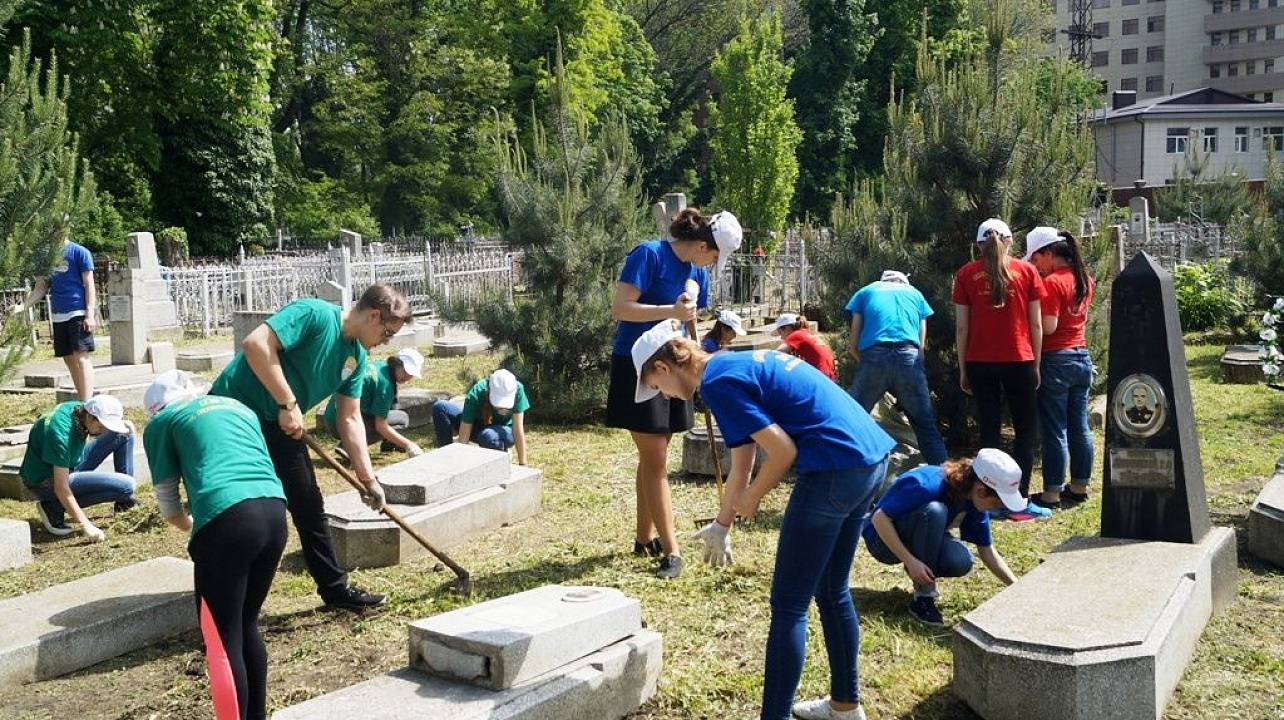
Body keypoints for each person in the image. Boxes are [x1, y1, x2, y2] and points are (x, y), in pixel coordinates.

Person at [632, 321, 894, 720]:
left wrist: (754, 496)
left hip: (836, 468)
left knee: (789, 605)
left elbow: (783, 451)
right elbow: (744, 460)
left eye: (656, 386)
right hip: (870, 459)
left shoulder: (716, 384)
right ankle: (845, 705)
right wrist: (723, 524)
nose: (663, 396)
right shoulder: (728, 367)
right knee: (831, 590)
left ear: (663, 367)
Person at [209, 283, 412, 610]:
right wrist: (287, 402)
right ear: (374, 316)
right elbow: (256, 344)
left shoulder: (356, 357)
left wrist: (367, 478)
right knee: (244, 508)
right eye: (387, 333)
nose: (384, 342)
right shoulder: (314, 314)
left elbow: (350, 418)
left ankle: (335, 591)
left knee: (308, 504)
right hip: (233, 415)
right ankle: (225, 598)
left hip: (281, 424)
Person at [606, 207, 742, 579]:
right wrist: (670, 310)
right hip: (641, 367)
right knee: (656, 460)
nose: (713, 264)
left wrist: (699, 368)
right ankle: (672, 552)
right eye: (714, 256)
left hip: (676, 368)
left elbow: (691, 323)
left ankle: (644, 537)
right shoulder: (648, 254)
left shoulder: (696, 272)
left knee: (655, 454)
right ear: (701, 246)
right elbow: (620, 309)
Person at [142, 370, 287, 720]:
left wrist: (195, 527)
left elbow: (169, 504)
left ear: (156, 408)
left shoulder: (163, 423)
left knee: (222, 640)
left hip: (228, 520)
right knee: (246, 624)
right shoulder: (238, 407)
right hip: (274, 511)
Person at [952, 218, 1049, 521]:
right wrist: (1036, 362)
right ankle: (1020, 499)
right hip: (1019, 359)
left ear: (978, 245)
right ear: (1010, 241)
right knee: (1025, 431)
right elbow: (1035, 323)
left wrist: (963, 367)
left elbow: (962, 327)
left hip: (980, 361)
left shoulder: (966, 274)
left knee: (989, 431)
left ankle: (988, 499)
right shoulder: (1027, 271)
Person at [863, 449, 1022, 627]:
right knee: (935, 511)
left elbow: (987, 552)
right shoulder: (927, 485)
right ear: (981, 490)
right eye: (996, 503)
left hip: (917, 536)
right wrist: (911, 561)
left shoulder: (974, 499)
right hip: (882, 541)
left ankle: (921, 573)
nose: (996, 509)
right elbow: (879, 519)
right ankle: (923, 597)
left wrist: (1018, 589)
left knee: (960, 560)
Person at [1023, 227, 1095, 512]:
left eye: (1036, 259)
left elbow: (1049, 326)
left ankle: (1051, 492)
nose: (1035, 266)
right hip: (1081, 356)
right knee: (1080, 426)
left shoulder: (1052, 283)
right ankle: (1079, 486)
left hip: (1056, 359)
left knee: (1055, 429)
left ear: (1050, 253)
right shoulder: (1084, 278)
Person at [845, 270, 948, 465]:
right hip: (909, 356)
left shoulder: (865, 292)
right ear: (904, 283)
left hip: (873, 356)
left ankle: (843, 470)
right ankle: (945, 476)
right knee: (925, 426)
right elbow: (921, 347)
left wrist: (868, 365)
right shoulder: (915, 294)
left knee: (852, 421)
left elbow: (853, 343)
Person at [20, 395, 138, 541]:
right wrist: (85, 525)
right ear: (89, 416)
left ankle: (124, 503)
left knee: (123, 434)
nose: (104, 431)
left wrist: (116, 426)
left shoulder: (79, 409)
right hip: (45, 481)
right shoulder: (60, 435)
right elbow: (61, 487)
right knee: (126, 486)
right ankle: (54, 506)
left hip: (68, 463)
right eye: (101, 427)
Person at [12, 236, 98, 400]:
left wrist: (89, 314)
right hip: (58, 313)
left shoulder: (79, 252)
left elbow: (89, 285)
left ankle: (87, 403)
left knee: (81, 357)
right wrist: (22, 307)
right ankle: (82, 400)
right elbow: (40, 288)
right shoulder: (44, 257)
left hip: (78, 311)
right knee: (69, 359)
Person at [323, 348, 425, 458]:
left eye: (411, 374)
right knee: (402, 419)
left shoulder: (379, 366)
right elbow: (380, 426)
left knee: (391, 409)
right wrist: (409, 445)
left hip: (330, 416)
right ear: (396, 364)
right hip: (343, 423)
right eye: (405, 371)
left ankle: (389, 444)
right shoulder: (385, 386)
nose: (407, 377)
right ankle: (349, 446)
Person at [431, 368, 530, 465]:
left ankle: (501, 452)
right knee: (440, 407)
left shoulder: (518, 389)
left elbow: (517, 429)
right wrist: (460, 461)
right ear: (489, 390)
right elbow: (465, 431)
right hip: (478, 426)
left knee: (488, 436)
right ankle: (447, 456)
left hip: (503, 431)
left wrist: (523, 463)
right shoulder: (476, 393)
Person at [773, 312, 836, 381]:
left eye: (780, 333)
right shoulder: (808, 334)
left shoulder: (796, 335)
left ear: (787, 328)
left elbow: (775, 354)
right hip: (829, 376)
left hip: (819, 376)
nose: (781, 337)